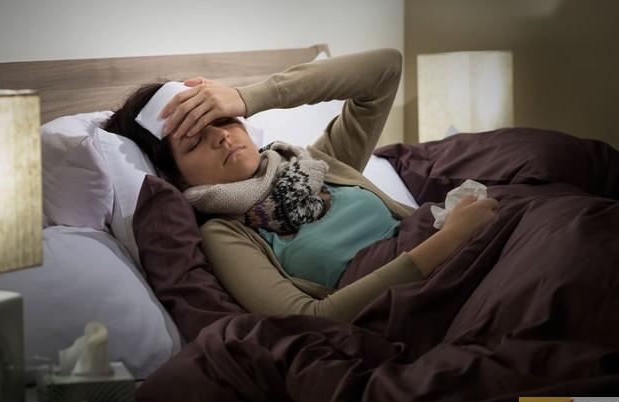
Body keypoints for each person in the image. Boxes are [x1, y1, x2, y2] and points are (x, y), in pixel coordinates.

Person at [105, 48, 498, 322]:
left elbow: (386, 68)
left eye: (223, 120)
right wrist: (449, 240)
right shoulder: (226, 233)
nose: (221, 136)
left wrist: (246, 97)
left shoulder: (316, 162)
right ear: (175, 176)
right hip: (432, 295)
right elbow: (309, 318)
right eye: (194, 141)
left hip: (472, 252)